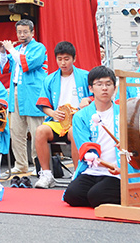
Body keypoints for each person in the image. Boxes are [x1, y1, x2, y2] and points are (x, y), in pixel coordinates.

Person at [64, 66, 132, 208]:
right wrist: (96, 159)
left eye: (108, 84)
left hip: (118, 171)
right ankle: (100, 195)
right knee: (72, 195)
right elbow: (85, 148)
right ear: (91, 88)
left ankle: (125, 192)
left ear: (114, 88)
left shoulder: (125, 112)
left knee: (97, 196)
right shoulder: (80, 116)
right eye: (99, 84)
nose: (104, 88)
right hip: (93, 169)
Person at [34, 41, 92, 188]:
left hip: (78, 121)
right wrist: (53, 113)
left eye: (66, 59)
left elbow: (95, 97)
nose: (63, 62)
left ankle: (77, 174)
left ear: (74, 59)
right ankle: (46, 174)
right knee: (40, 131)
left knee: (74, 131)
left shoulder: (85, 76)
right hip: (57, 122)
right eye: (59, 59)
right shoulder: (50, 79)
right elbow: (43, 104)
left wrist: (88, 100)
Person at [0, 19, 48, 174]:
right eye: (19, 32)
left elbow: (26, 64)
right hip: (15, 92)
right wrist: (2, 51)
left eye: (25, 32)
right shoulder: (17, 48)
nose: (22, 35)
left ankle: (38, 165)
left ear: (32, 33)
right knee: (16, 131)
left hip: (32, 93)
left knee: (36, 131)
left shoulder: (39, 47)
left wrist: (11, 50)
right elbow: (7, 68)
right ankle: (20, 164)